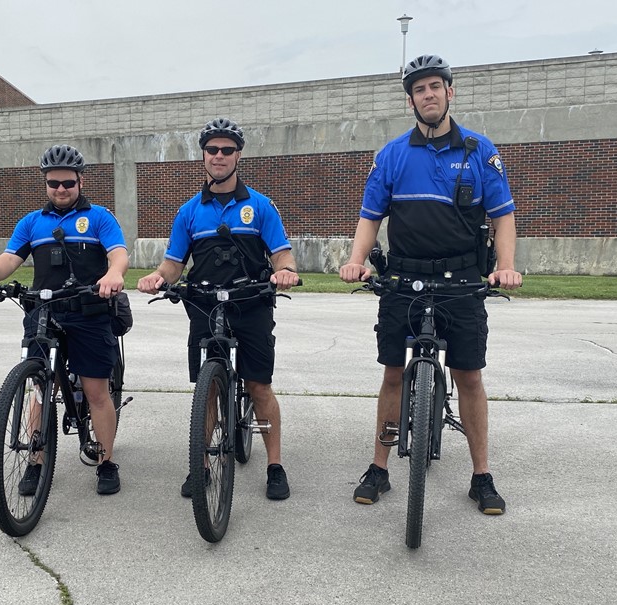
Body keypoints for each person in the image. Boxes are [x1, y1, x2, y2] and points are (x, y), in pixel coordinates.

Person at [338, 55, 523, 514]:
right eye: (419, 90)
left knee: (469, 376)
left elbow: (502, 217)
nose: (428, 95)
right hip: (404, 274)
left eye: (435, 87)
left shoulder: (481, 151)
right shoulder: (393, 155)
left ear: (450, 93)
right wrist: (357, 260)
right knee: (392, 374)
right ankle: (378, 468)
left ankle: (482, 476)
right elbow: (369, 217)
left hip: (462, 278)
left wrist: (505, 265)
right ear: (411, 101)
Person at [136, 117, 300, 501]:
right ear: (204, 156)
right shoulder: (189, 211)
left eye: (227, 150)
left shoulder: (260, 205)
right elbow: (174, 263)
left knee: (259, 386)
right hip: (205, 306)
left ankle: (275, 465)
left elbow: (281, 255)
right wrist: (157, 277)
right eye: (213, 150)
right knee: (207, 391)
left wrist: (286, 273)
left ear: (238, 155)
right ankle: (202, 465)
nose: (220, 156)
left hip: (252, 302)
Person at [0, 144, 129, 495]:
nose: (60, 190)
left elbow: (118, 255)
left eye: (67, 183)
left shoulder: (100, 217)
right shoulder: (32, 222)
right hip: (44, 311)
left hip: (88, 312)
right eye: (53, 183)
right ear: (45, 183)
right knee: (38, 389)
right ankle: (36, 462)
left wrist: (113, 275)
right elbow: (10, 259)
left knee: (96, 391)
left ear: (80, 181)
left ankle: (106, 461)